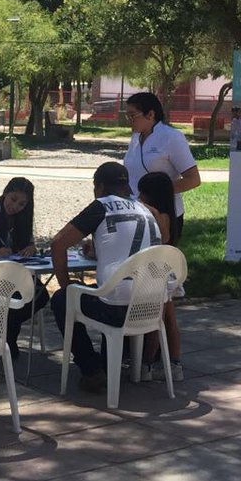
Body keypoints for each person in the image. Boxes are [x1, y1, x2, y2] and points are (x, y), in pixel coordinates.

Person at [50, 163, 162, 392]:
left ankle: (91, 369)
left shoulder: (100, 207)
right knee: (107, 289)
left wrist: (66, 285)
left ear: (99, 187)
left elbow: (58, 243)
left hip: (117, 308)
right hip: (151, 304)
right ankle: (108, 365)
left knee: (64, 299)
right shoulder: (147, 209)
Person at [0, 177, 50, 359]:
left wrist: (31, 248)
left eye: (21, 204)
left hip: (13, 270)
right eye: (13, 199)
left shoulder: (22, 218)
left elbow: (29, 243)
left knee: (40, 295)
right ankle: (6, 337)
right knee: (14, 295)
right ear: (5, 193)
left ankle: (4, 332)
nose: (15, 207)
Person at [121, 92, 201, 243]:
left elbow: (193, 179)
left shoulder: (172, 137)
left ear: (150, 114)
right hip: (136, 213)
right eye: (127, 116)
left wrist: (159, 193)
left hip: (164, 215)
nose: (129, 121)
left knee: (160, 264)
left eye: (132, 115)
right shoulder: (135, 137)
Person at [136, 172, 184, 381]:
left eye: (142, 193)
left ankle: (147, 364)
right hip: (162, 269)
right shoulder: (167, 213)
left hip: (158, 272)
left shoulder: (160, 215)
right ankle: (173, 363)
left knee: (158, 320)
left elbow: (163, 237)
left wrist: (149, 210)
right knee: (167, 319)